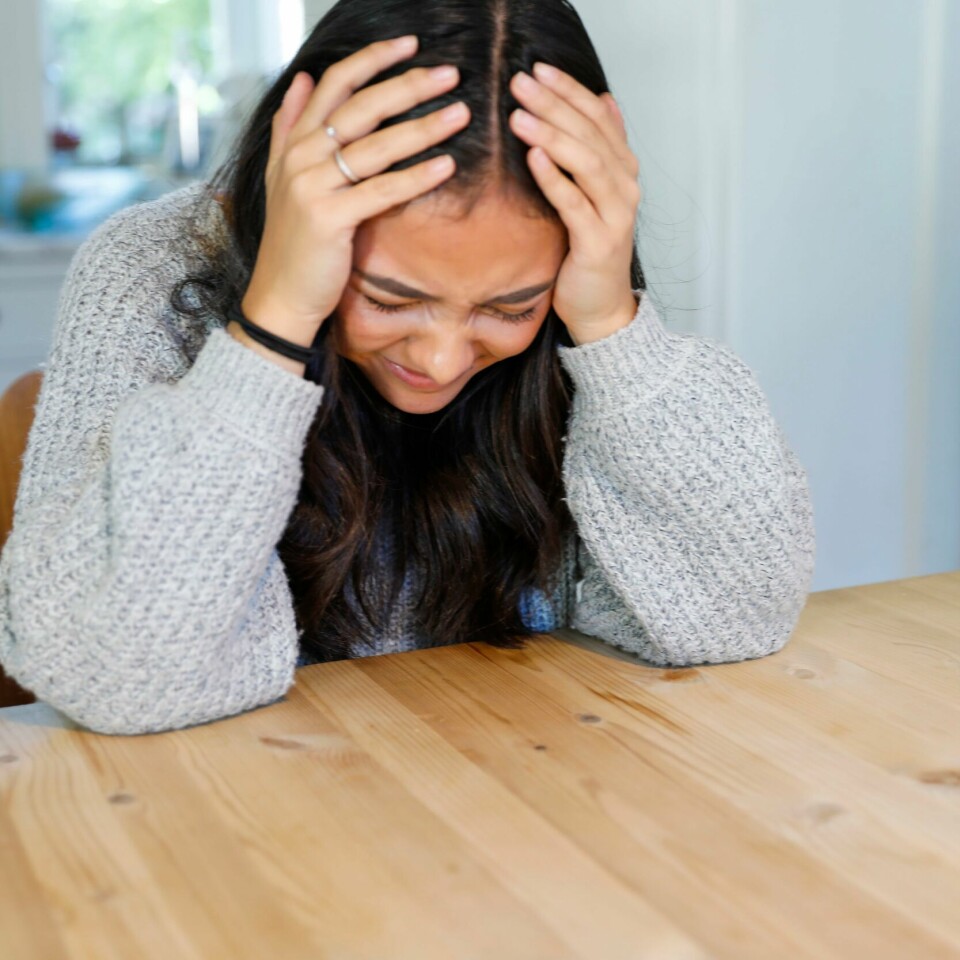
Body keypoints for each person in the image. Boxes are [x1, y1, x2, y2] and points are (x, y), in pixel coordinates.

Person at [0, 0, 815, 736]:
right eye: (390, 299)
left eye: (507, 308)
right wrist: (276, 319)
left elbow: (734, 617)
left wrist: (609, 324)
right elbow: (123, 677)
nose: (440, 358)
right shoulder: (152, 269)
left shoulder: (577, 302)